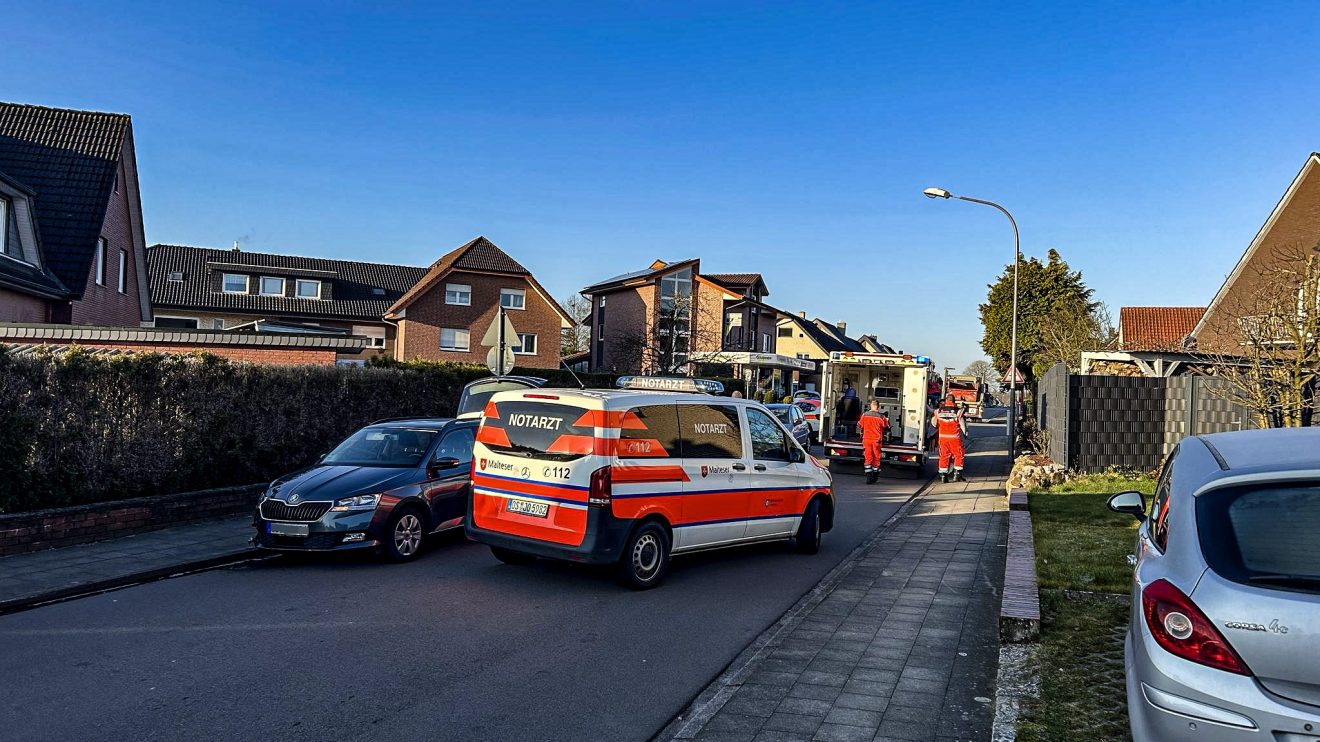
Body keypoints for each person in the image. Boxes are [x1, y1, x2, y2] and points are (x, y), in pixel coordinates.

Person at [932, 394, 967, 483]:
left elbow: (933, 423)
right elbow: (962, 425)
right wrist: (965, 433)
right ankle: (957, 475)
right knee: (959, 454)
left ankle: (943, 476)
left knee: (943, 456)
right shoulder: (958, 412)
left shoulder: (938, 411)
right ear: (954, 401)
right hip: (954, 438)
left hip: (943, 438)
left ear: (946, 401)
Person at [857, 399, 887, 484]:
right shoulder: (882, 417)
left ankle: (868, 478)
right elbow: (886, 426)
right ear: (878, 406)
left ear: (871, 405)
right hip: (876, 440)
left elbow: (859, 425)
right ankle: (875, 476)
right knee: (876, 458)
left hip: (866, 439)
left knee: (868, 458)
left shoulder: (865, 415)